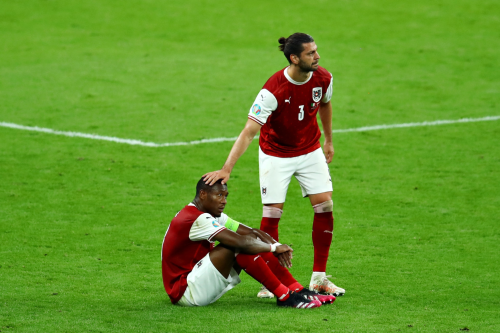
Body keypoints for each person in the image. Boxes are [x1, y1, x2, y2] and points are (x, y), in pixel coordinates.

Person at [203, 32, 345, 297]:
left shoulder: (324, 77)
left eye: (316, 51)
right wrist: (227, 169)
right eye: (310, 53)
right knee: (272, 214)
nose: (317, 56)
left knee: (325, 204)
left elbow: (325, 104)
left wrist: (329, 140)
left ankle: (319, 278)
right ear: (294, 58)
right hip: (276, 154)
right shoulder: (273, 89)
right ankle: (271, 281)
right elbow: (248, 131)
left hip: (309, 149)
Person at [161, 178, 336, 308]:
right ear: (202, 194)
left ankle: (296, 290)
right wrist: (274, 248)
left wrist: (276, 245)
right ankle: (285, 297)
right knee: (238, 246)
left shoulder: (211, 215)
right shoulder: (197, 219)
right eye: (219, 195)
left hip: (196, 280)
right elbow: (241, 242)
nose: (224, 201)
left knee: (248, 241)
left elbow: (252, 232)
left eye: (225, 195)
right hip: (185, 292)